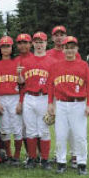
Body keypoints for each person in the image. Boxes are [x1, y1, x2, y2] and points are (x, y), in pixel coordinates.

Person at [47, 36, 89, 175]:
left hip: (78, 104)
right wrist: (50, 103)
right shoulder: (56, 66)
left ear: (77, 49)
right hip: (61, 104)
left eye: (72, 47)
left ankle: (82, 163)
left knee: (80, 135)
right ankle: (61, 162)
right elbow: (50, 85)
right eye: (67, 48)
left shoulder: (83, 65)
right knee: (61, 135)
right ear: (63, 49)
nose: (69, 50)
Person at [18, 32, 55, 170]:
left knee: (44, 130)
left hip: (44, 97)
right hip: (29, 96)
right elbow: (21, 82)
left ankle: (45, 159)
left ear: (46, 43)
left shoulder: (52, 61)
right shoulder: (26, 61)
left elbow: (54, 84)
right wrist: (19, 74)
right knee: (30, 130)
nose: (39, 45)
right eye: (37, 42)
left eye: (42, 42)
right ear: (33, 43)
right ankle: (32, 158)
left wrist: (52, 103)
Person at [0, 36, 22, 166]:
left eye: (8, 46)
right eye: (3, 46)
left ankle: (16, 155)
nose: (5, 49)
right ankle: (9, 155)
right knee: (4, 128)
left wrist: (21, 101)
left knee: (17, 127)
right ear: (0, 48)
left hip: (14, 96)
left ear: (12, 48)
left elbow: (22, 84)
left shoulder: (17, 61)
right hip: (1, 97)